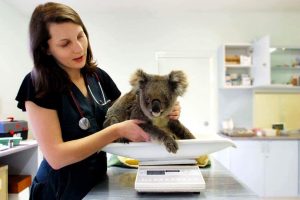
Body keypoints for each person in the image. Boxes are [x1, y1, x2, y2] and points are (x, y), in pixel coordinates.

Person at [15, 2, 181, 199]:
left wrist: (164, 110)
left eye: (80, 36)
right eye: (65, 43)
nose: (78, 48)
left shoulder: (98, 77)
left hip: (97, 184)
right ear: (46, 48)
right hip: (59, 190)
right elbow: (56, 157)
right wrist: (116, 131)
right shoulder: (37, 84)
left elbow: (131, 115)